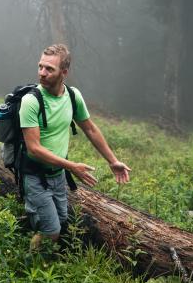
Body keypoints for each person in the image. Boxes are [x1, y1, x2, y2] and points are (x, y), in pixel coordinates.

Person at [20, 44, 131, 250]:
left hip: (58, 177)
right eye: (40, 67)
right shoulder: (31, 101)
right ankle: (31, 266)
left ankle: (35, 240)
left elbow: (90, 129)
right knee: (51, 230)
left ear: (64, 72)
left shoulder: (72, 96)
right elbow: (33, 148)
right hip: (34, 176)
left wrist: (113, 161)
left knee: (61, 221)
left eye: (49, 69)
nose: (42, 73)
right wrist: (71, 166)